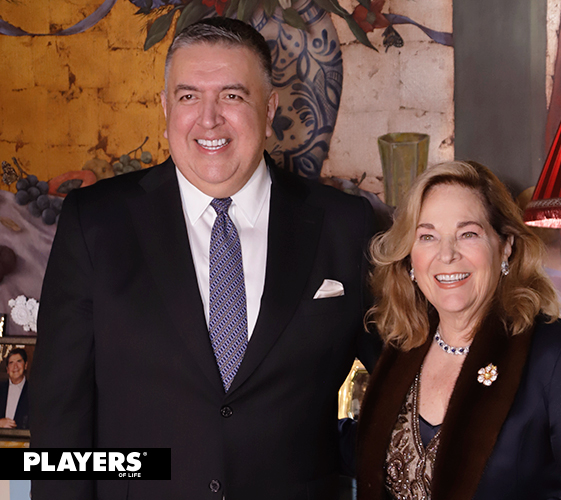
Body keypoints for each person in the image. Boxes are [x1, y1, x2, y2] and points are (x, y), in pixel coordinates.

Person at [31, 17, 380, 500]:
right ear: (165, 107)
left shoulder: (345, 224)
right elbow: (59, 413)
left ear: (269, 107)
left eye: (232, 96)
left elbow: (405, 380)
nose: (209, 118)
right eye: (189, 96)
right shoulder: (95, 222)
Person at [356, 161, 561, 499]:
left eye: (468, 234)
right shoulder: (402, 347)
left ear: (505, 246)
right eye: (427, 236)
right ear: (409, 257)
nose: (447, 254)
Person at [0, 347, 29, 430]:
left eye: (19, 361)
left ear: (25, 365)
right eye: (11, 363)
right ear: (7, 369)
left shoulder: (34, 391)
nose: (15, 366)